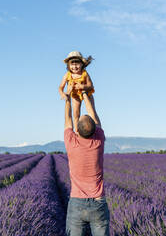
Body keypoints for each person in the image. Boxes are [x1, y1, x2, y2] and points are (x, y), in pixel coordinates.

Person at [63, 81, 110, 236]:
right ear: (95, 130)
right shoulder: (98, 141)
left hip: (77, 202)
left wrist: (68, 96)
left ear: (77, 130)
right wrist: (84, 92)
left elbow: (68, 118)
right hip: (98, 202)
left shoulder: (71, 142)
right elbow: (94, 115)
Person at [59, 51, 95, 133]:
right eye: (72, 64)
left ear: (82, 64)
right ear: (68, 65)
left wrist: (82, 86)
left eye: (77, 64)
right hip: (75, 95)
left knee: (91, 112)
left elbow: (91, 85)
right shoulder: (67, 75)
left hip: (87, 93)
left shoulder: (84, 73)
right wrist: (62, 93)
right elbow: (60, 87)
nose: (74, 66)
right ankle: (77, 131)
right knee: (76, 114)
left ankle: (92, 129)